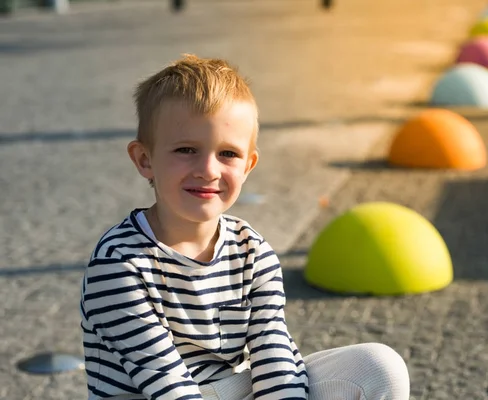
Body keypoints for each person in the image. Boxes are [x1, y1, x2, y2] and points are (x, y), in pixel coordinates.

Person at [80, 54, 410, 400]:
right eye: (186, 149)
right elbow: (168, 386)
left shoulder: (250, 249)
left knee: (377, 367)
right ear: (145, 159)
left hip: (225, 391)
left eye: (228, 154)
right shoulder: (119, 264)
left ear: (249, 164)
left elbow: (273, 351)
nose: (208, 169)